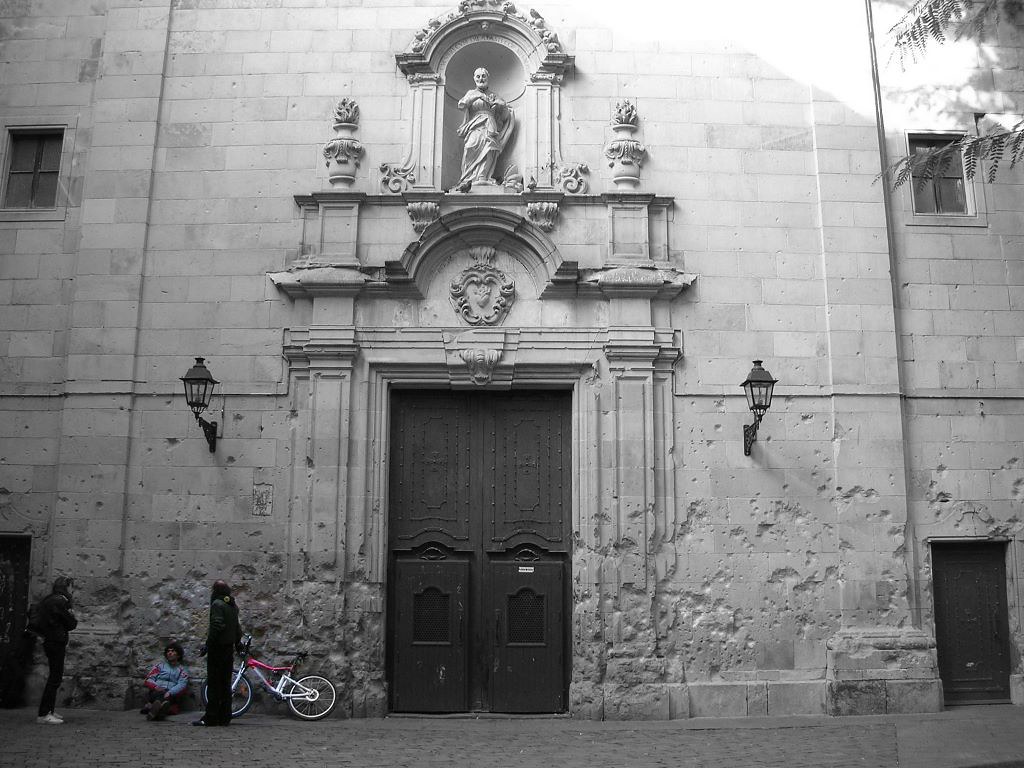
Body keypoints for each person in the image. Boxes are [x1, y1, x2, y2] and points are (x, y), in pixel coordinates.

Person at [455, 67, 515, 188]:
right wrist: (477, 96)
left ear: (488, 78)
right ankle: (469, 177)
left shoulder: (493, 95)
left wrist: (500, 104)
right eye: (478, 76)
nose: (481, 79)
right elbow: (461, 104)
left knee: (489, 148)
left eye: (483, 76)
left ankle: (484, 176)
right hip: (474, 126)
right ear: (474, 78)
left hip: (490, 126)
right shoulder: (471, 93)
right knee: (470, 146)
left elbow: (505, 115)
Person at [193, 580, 242, 726]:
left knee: (214, 684)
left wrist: (208, 644)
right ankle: (225, 716)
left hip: (218, 648)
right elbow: (237, 628)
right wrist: (237, 642)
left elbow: (217, 625)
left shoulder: (217, 605)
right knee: (225, 684)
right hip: (228, 648)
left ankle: (212, 717)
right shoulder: (232, 605)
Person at [34, 576, 77, 724]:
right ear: (66, 587)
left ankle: (49, 710)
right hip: (56, 642)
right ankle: (44, 714)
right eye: (71, 586)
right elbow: (71, 624)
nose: (73, 589)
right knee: (55, 678)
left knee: (55, 677)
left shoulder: (50, 599)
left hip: (50, 641)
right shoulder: (61, 601)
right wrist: (72, 615)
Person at [140, 642, 190, 721]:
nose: (169, 653)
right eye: (168, 651)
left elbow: (182, 684)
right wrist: (156, 687)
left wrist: (170, 692)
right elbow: (148, 679)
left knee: (166, 697)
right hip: (157, 691)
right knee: (161, 696)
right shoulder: (160, 666)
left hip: (171, 694)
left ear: (178, 655)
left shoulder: (182, 670)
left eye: (173, 651)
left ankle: (154, 710)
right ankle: (161, 710)